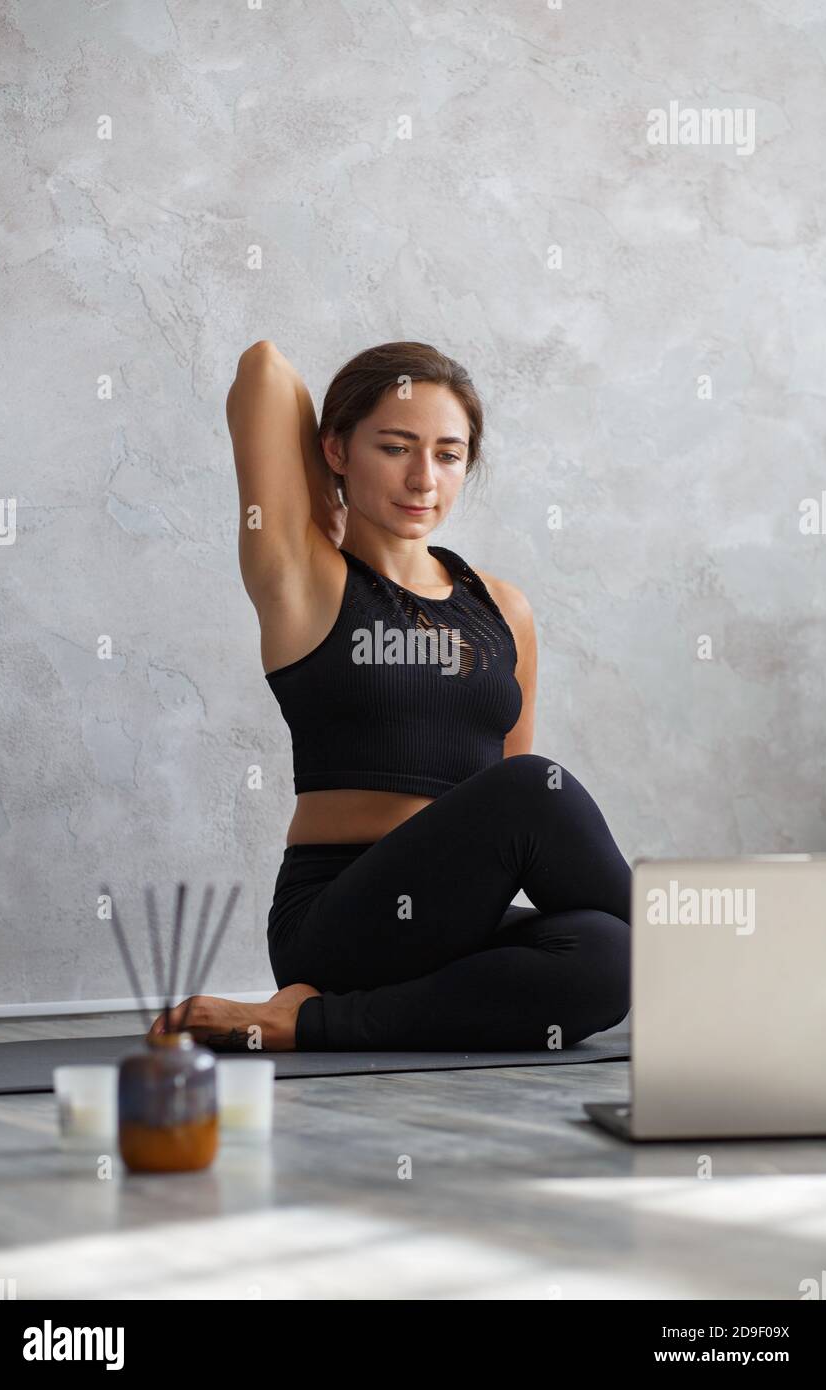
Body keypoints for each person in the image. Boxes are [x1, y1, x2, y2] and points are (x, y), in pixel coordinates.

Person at [149, 340, 631, 1050]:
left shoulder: (504, 608)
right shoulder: (309, 582)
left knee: (608, 955)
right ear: (336, 450)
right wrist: (325, 503)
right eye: (396, 447)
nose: (422, 478)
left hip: (455, 922)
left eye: (448, 453)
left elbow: (498, 803)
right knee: (539, 787)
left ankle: (309, 1021)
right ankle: (719, 985)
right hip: (339, 923)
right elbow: (264, 370)